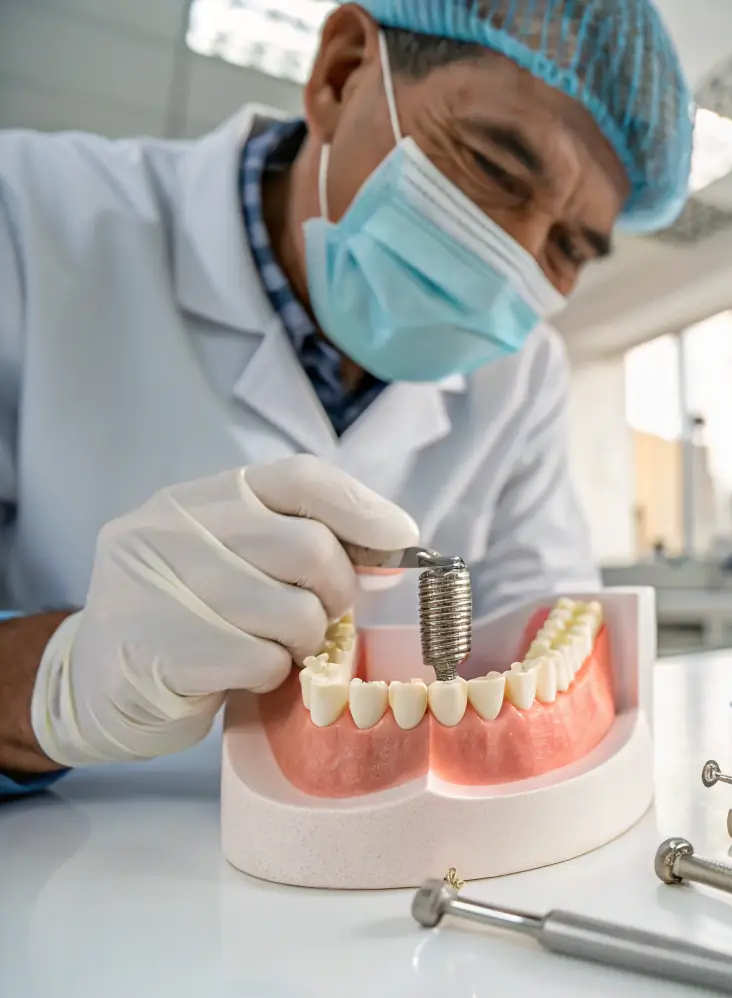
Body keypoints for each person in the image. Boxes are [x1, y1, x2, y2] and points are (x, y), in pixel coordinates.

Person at [0, 1, 692, 797]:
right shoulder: (26, 220)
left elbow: (544, 645)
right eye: (494, 170)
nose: (514, 263)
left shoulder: (525, 373)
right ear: (339, 75)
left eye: (568, 248)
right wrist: (52, 685)